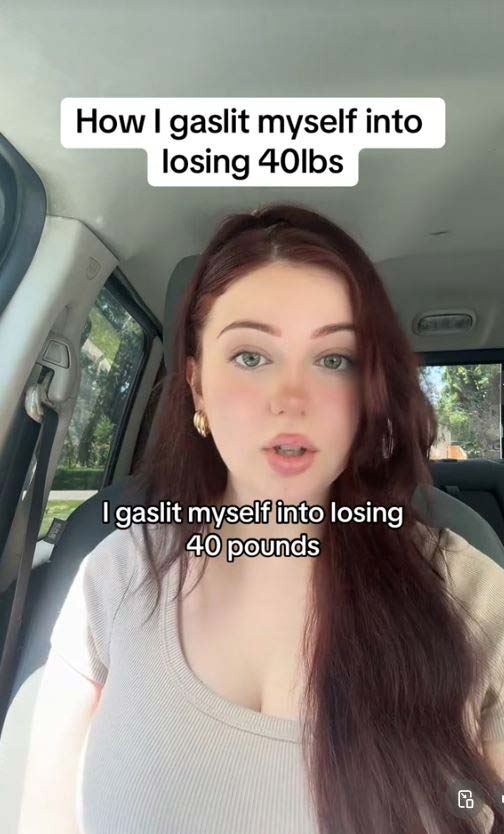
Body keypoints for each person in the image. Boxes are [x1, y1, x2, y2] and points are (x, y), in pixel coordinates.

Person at [21, 204, 504, 834]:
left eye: (335, 359)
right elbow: (41, 813)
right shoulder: (112, 578)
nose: (291, 400)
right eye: (251, 356)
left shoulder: (471, 595)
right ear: (197, 384)